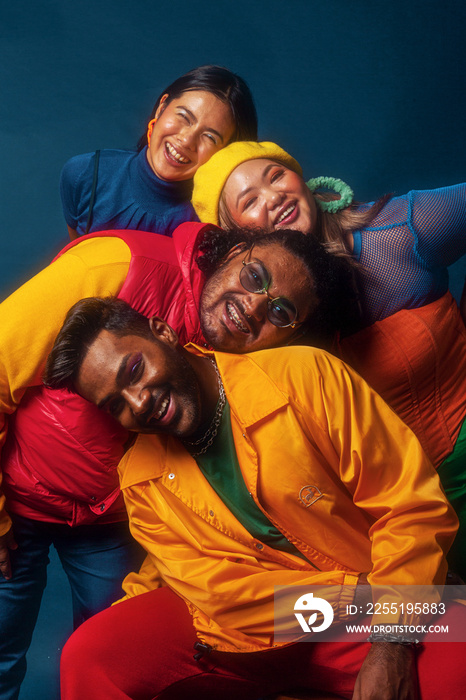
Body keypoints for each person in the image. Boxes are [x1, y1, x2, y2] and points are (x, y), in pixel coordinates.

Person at [0, 222, 356, 700]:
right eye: (251, 277)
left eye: (278, 309)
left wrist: (401, 618)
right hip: (17, 506)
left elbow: (412, 511)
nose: (250, 307)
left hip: (368, 597)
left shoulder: (303, 372)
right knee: (77, 653)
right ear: (230, 253)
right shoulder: (115, 270)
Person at [45, 297, 465, 700]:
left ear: (163, 332)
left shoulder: (305, 375)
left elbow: (411, 506)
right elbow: (221, 594)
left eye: (134, 370)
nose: (139, 403)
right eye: (115, 404)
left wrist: (391, 634)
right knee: (90, 656)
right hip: (238, 632)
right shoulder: (139, 479)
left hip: (373, 608)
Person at [192, 140, 466, 575]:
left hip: (458, 464)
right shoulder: (251, 314)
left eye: (276, 176)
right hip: (375, 518)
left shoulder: (398, 231)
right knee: (442, 627)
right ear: (236, 236)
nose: (274, 196)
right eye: (250, 200)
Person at [60, 65, 257, 240]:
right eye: (184, 117)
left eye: (210, 137)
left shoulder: (214, 226)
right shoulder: (84, 173)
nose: (187, 140)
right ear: (162, 108)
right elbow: (74, 259)